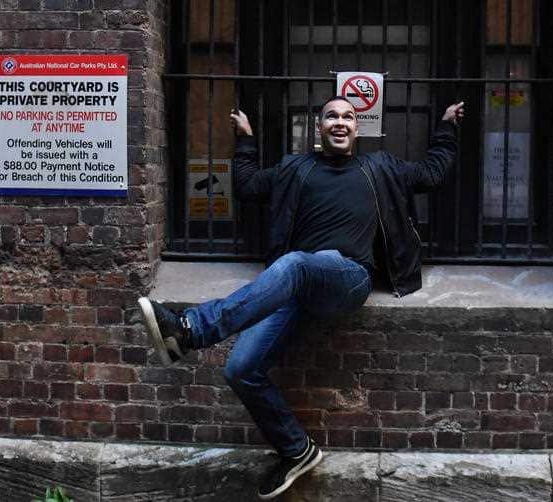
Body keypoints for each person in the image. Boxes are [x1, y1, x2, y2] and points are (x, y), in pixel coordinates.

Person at [138, 96, 464, 499]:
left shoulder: (380, 167)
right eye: (332, 117)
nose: (340, 122)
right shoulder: (296, 168)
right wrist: (246, 140)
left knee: (296, 263)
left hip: (349, 278)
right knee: (240, 369)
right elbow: (248, 186)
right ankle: (296, 450)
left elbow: (433, 173)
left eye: (348, 117)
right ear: (319, 127)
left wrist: (446, 127)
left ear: (357, 129)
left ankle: (191, 329)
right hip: (295, 288)